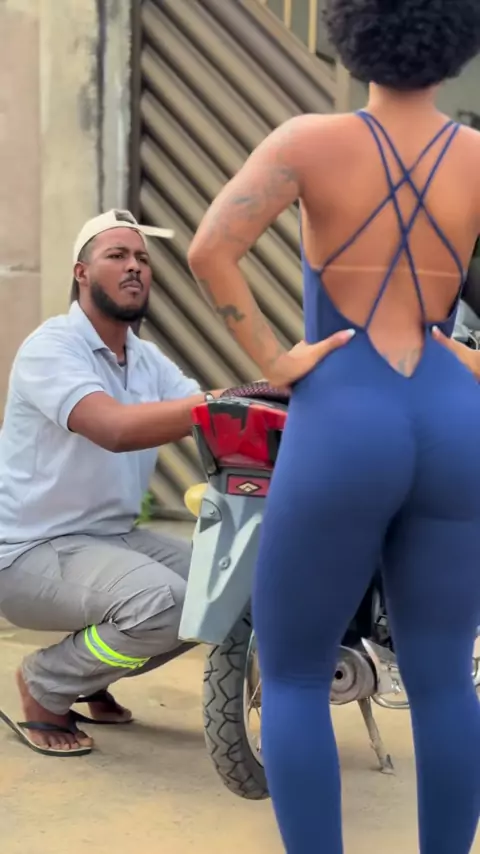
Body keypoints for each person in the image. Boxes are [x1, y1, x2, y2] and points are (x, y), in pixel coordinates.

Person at [187, 0, 480, 850]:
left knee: (292, 673)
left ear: (352, 29)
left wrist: (275, 359)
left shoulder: (306, 142)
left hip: (344, 411)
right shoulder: (475, 156)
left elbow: (211, 249)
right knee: (444, 680)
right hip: (451, 414)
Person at [0, 208, 227, 758]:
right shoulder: (52, 347)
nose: (134, 267)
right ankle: (46, 683)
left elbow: (208, 420)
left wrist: (267, 402)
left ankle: (88, 673)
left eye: (142, 258)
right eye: (117, 255)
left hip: (109, 539)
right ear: (81, 273)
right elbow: (115, 430)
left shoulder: (145, 359)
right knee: (166, 604)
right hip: (29, 549)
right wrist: (218, 403)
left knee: (225, 590)